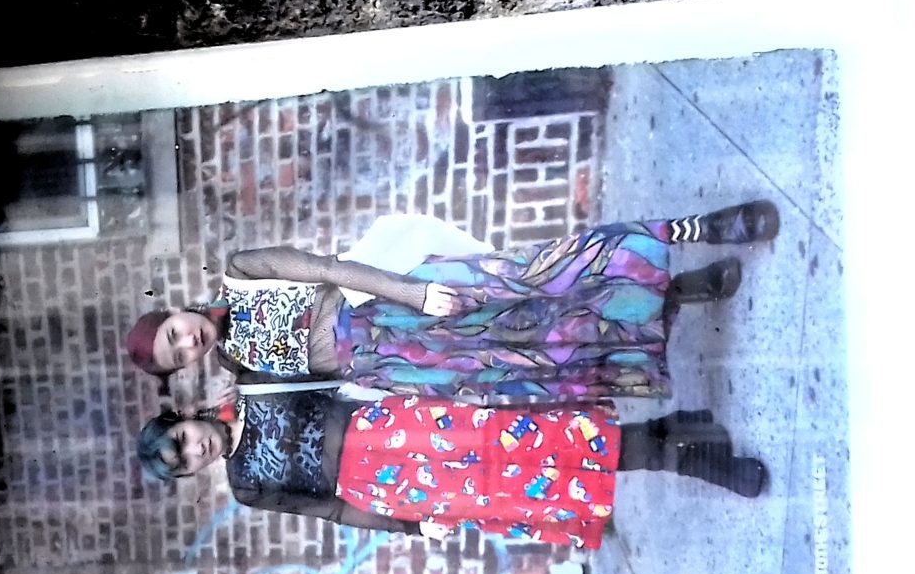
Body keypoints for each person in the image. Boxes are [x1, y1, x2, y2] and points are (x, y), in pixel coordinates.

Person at [126, 202, 780, 403]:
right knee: (540, 347)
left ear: (175, 311)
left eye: (173, 332)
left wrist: (414, 291)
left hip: (394, 299)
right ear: (184, 368)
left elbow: (328, 269)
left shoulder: (242, 273)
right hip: (402, 365)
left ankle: (691, 230)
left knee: (534, 277)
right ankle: (687, 290)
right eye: (177, 356)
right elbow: (323, 385)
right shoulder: (238, 369)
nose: (187, 343)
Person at [136, 389, 768, 549]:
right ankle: (681, 443)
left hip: (396, 423)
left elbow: (338, 369)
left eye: (183, 439)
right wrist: (410, 527)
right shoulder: (248, 486)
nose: (195, 451)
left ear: (185, 417)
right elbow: (331, 509)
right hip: (395, 487)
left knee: (537, 443)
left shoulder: (252, 386)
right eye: (184, 462)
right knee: (526, 489)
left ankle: (687, 453)